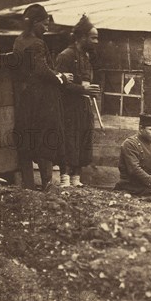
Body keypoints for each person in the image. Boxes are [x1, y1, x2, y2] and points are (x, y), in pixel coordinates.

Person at [12, 4, 72, 190]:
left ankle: (29, 185)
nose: (46, 29)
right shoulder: (37, 43)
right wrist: (61, 77)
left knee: (27, 139)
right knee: (46, 138)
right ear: (35, 23)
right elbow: (41, 70)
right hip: (42, 100)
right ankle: (47, 183)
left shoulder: (19, 41)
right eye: (44, 25)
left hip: (25, 98)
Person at [55, 15, 99, 187]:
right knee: (69, 141)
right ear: (82, 37)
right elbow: (59, 84)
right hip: (69, 108)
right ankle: (65, 179)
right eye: (93, 37)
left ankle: (76, 179)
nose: (96, 41)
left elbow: (86, 82)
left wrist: (91, 91)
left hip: (83, 107)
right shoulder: (65, 56)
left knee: (83, 139)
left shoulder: (87, 57)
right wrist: (82, 89)